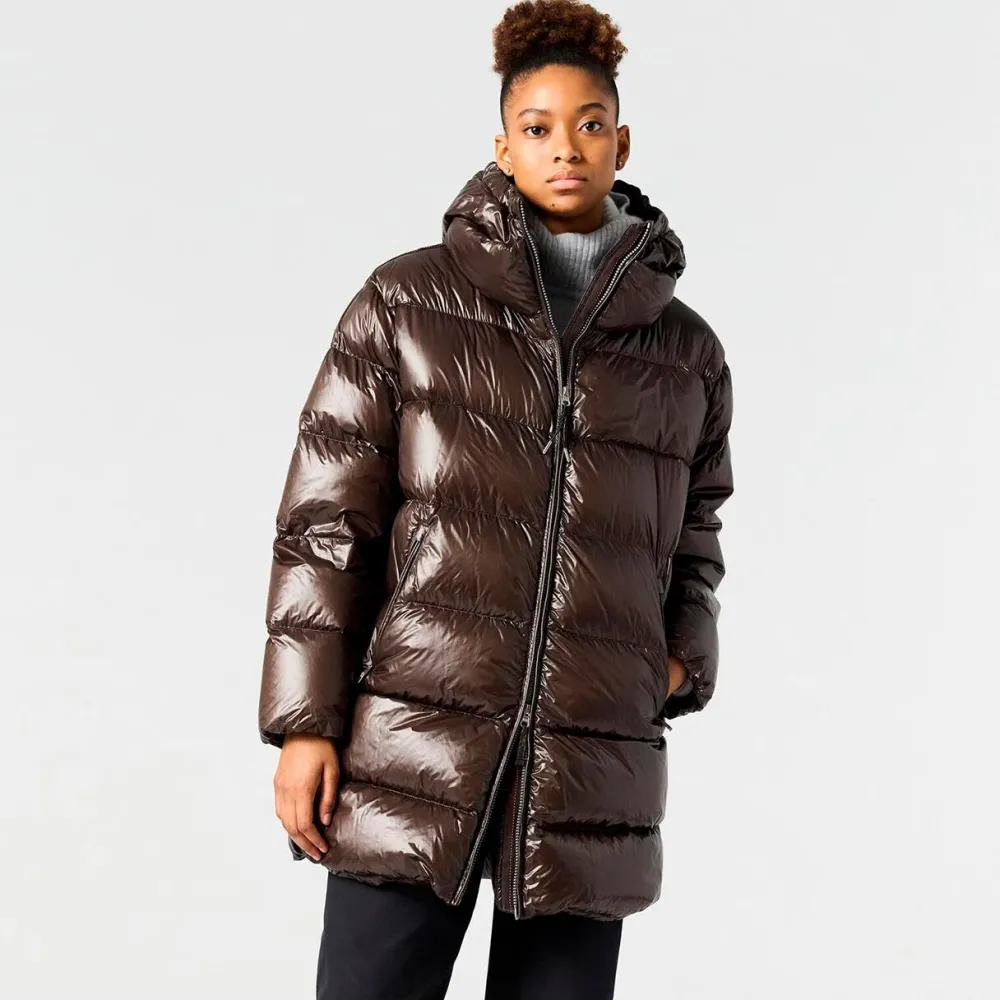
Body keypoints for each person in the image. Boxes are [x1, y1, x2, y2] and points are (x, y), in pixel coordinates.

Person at [257, 1, 734, 997]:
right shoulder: (405, 304)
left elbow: (697, 526)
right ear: (503, 147)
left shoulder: (685, 352)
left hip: (589, 765)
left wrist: (679, 657)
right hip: (410, 751)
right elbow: (325, 527)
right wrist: (306, 722)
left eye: (590, 124)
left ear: (622, 143)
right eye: (538, 126)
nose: (566, 147)